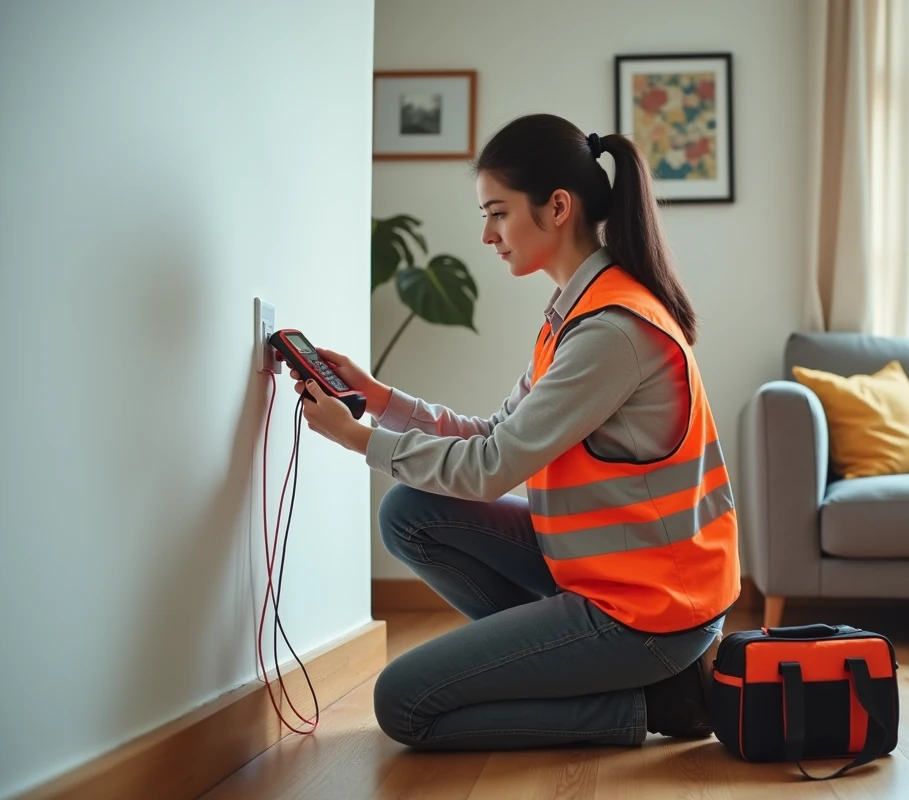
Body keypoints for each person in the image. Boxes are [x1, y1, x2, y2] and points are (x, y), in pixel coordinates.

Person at [291, 113, 740, 751]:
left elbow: (490, 468)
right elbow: (493, 435)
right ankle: (555, 668)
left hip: (650, 612)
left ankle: (652, 702)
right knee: (409, 512)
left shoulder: (611, 332)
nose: (486, 235)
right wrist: (380, 400)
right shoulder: (575, 313)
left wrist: (358, 439)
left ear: (557, 207)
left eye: (497, 213)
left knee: (403, 703)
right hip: (606, 574)